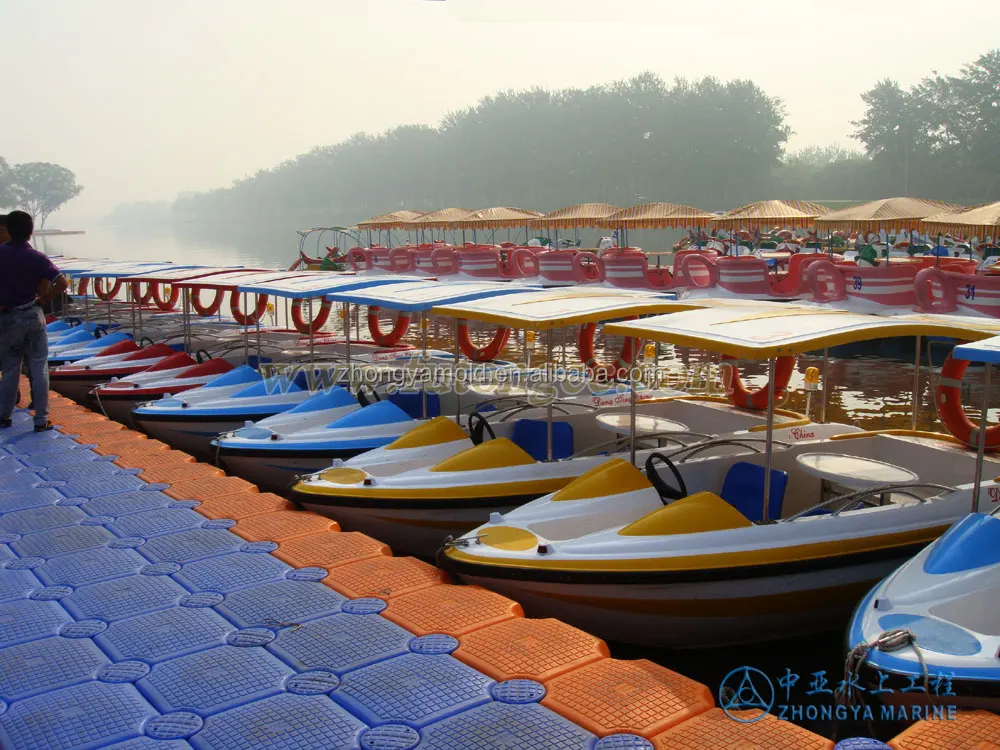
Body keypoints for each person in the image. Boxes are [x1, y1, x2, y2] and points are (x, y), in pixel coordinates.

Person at [0, 210, 67, 431]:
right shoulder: (38, 257)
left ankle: (4, 416)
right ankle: (41, 419)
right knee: (39, 368)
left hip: (8, 317)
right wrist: (46, 298)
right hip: (33, 313)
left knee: (11, 369)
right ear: (30, 232)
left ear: (7, 230)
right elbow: (62, 283)